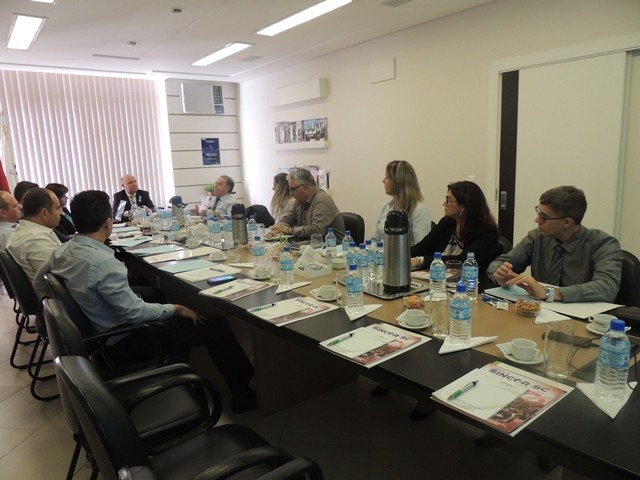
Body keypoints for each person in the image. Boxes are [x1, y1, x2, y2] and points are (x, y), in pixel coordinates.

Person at [34, 190, 256, 413]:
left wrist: (67, 308)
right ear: (108, 223)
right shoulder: (103, 263)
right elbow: (135, 314)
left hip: (101, 334)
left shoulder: (62, 251)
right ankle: (243, 395)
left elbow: (38, 281)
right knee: (216, 326)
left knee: (158, 297)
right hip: (127, 341)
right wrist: (176, 308)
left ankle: (188, 363)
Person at [487, 185, 622, 303]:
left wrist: (550, 293)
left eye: (544, 217)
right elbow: (498, 264)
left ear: (567, 222)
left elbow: (607, 288)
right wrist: (501, 277)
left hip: (582, 317)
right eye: (538, 213)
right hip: (539, 312)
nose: (537, 220)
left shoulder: (603, 244)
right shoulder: (537, 237)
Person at [410, 181, 501, 291]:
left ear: (464, 206)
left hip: (469, 287)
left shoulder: (487, 232)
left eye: (448, 200)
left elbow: (462, 261)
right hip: (437, 282)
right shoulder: (447, 223)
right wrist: (400, 256)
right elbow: (423, 247)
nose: (444, 204)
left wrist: (421, 261)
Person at [271, 168, 345, 242]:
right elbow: (286, 221)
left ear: (305, 188)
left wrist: (289, 230)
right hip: (308, 245)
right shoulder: (299, 201)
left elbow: (316, 230)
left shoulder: (322, 200)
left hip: (331, 246)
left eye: (292, 189)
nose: (291, 193)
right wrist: (277, 229)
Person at [371, 160, 432, 246]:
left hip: (407, 254)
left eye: (387, 177)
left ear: (397, 182)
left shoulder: (420, 211)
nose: (383, 181)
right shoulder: (386, 206)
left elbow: (422, 247)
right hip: (381, 253)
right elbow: (374, 238)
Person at [6, 188, 61, 281]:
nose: (60, 213)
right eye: (57, 208)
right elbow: (60, 278)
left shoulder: (25, 230)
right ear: (44, 213)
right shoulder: (37, 239)